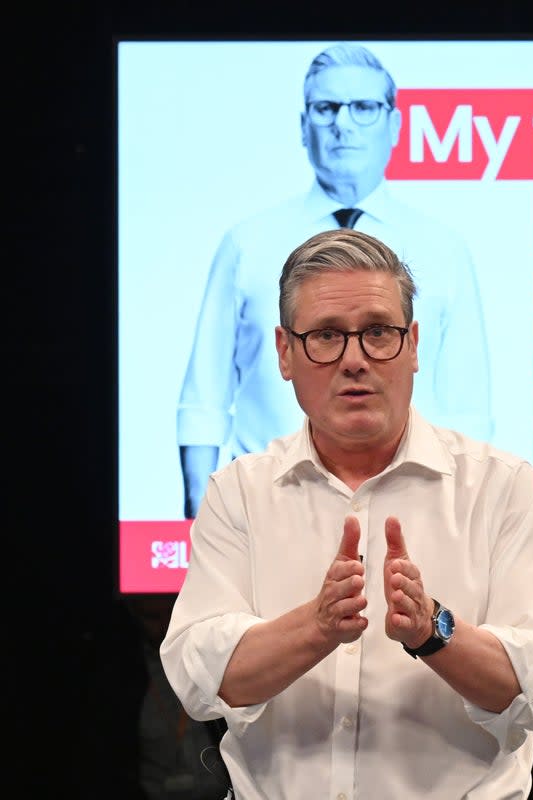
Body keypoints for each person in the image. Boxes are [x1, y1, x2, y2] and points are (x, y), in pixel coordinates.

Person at [160, 228, 533, 799]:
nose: (355, 359)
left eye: (378, 332)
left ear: (413, 345)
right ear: (284, 352)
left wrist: (435, 633)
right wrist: (316, 627)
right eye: (326, 336)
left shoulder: (501, 488)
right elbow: (198, 679)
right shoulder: (238, 492)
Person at [177, 41, 492, 518]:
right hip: (269, 513)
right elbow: (206, 390)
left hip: (410, 516)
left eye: (364, 107)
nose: (343, 124)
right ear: (304, 126)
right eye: (326, 108)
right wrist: (204, 524)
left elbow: (468, 403)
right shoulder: (247, 242)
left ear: (394, 125)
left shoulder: (444, 248)